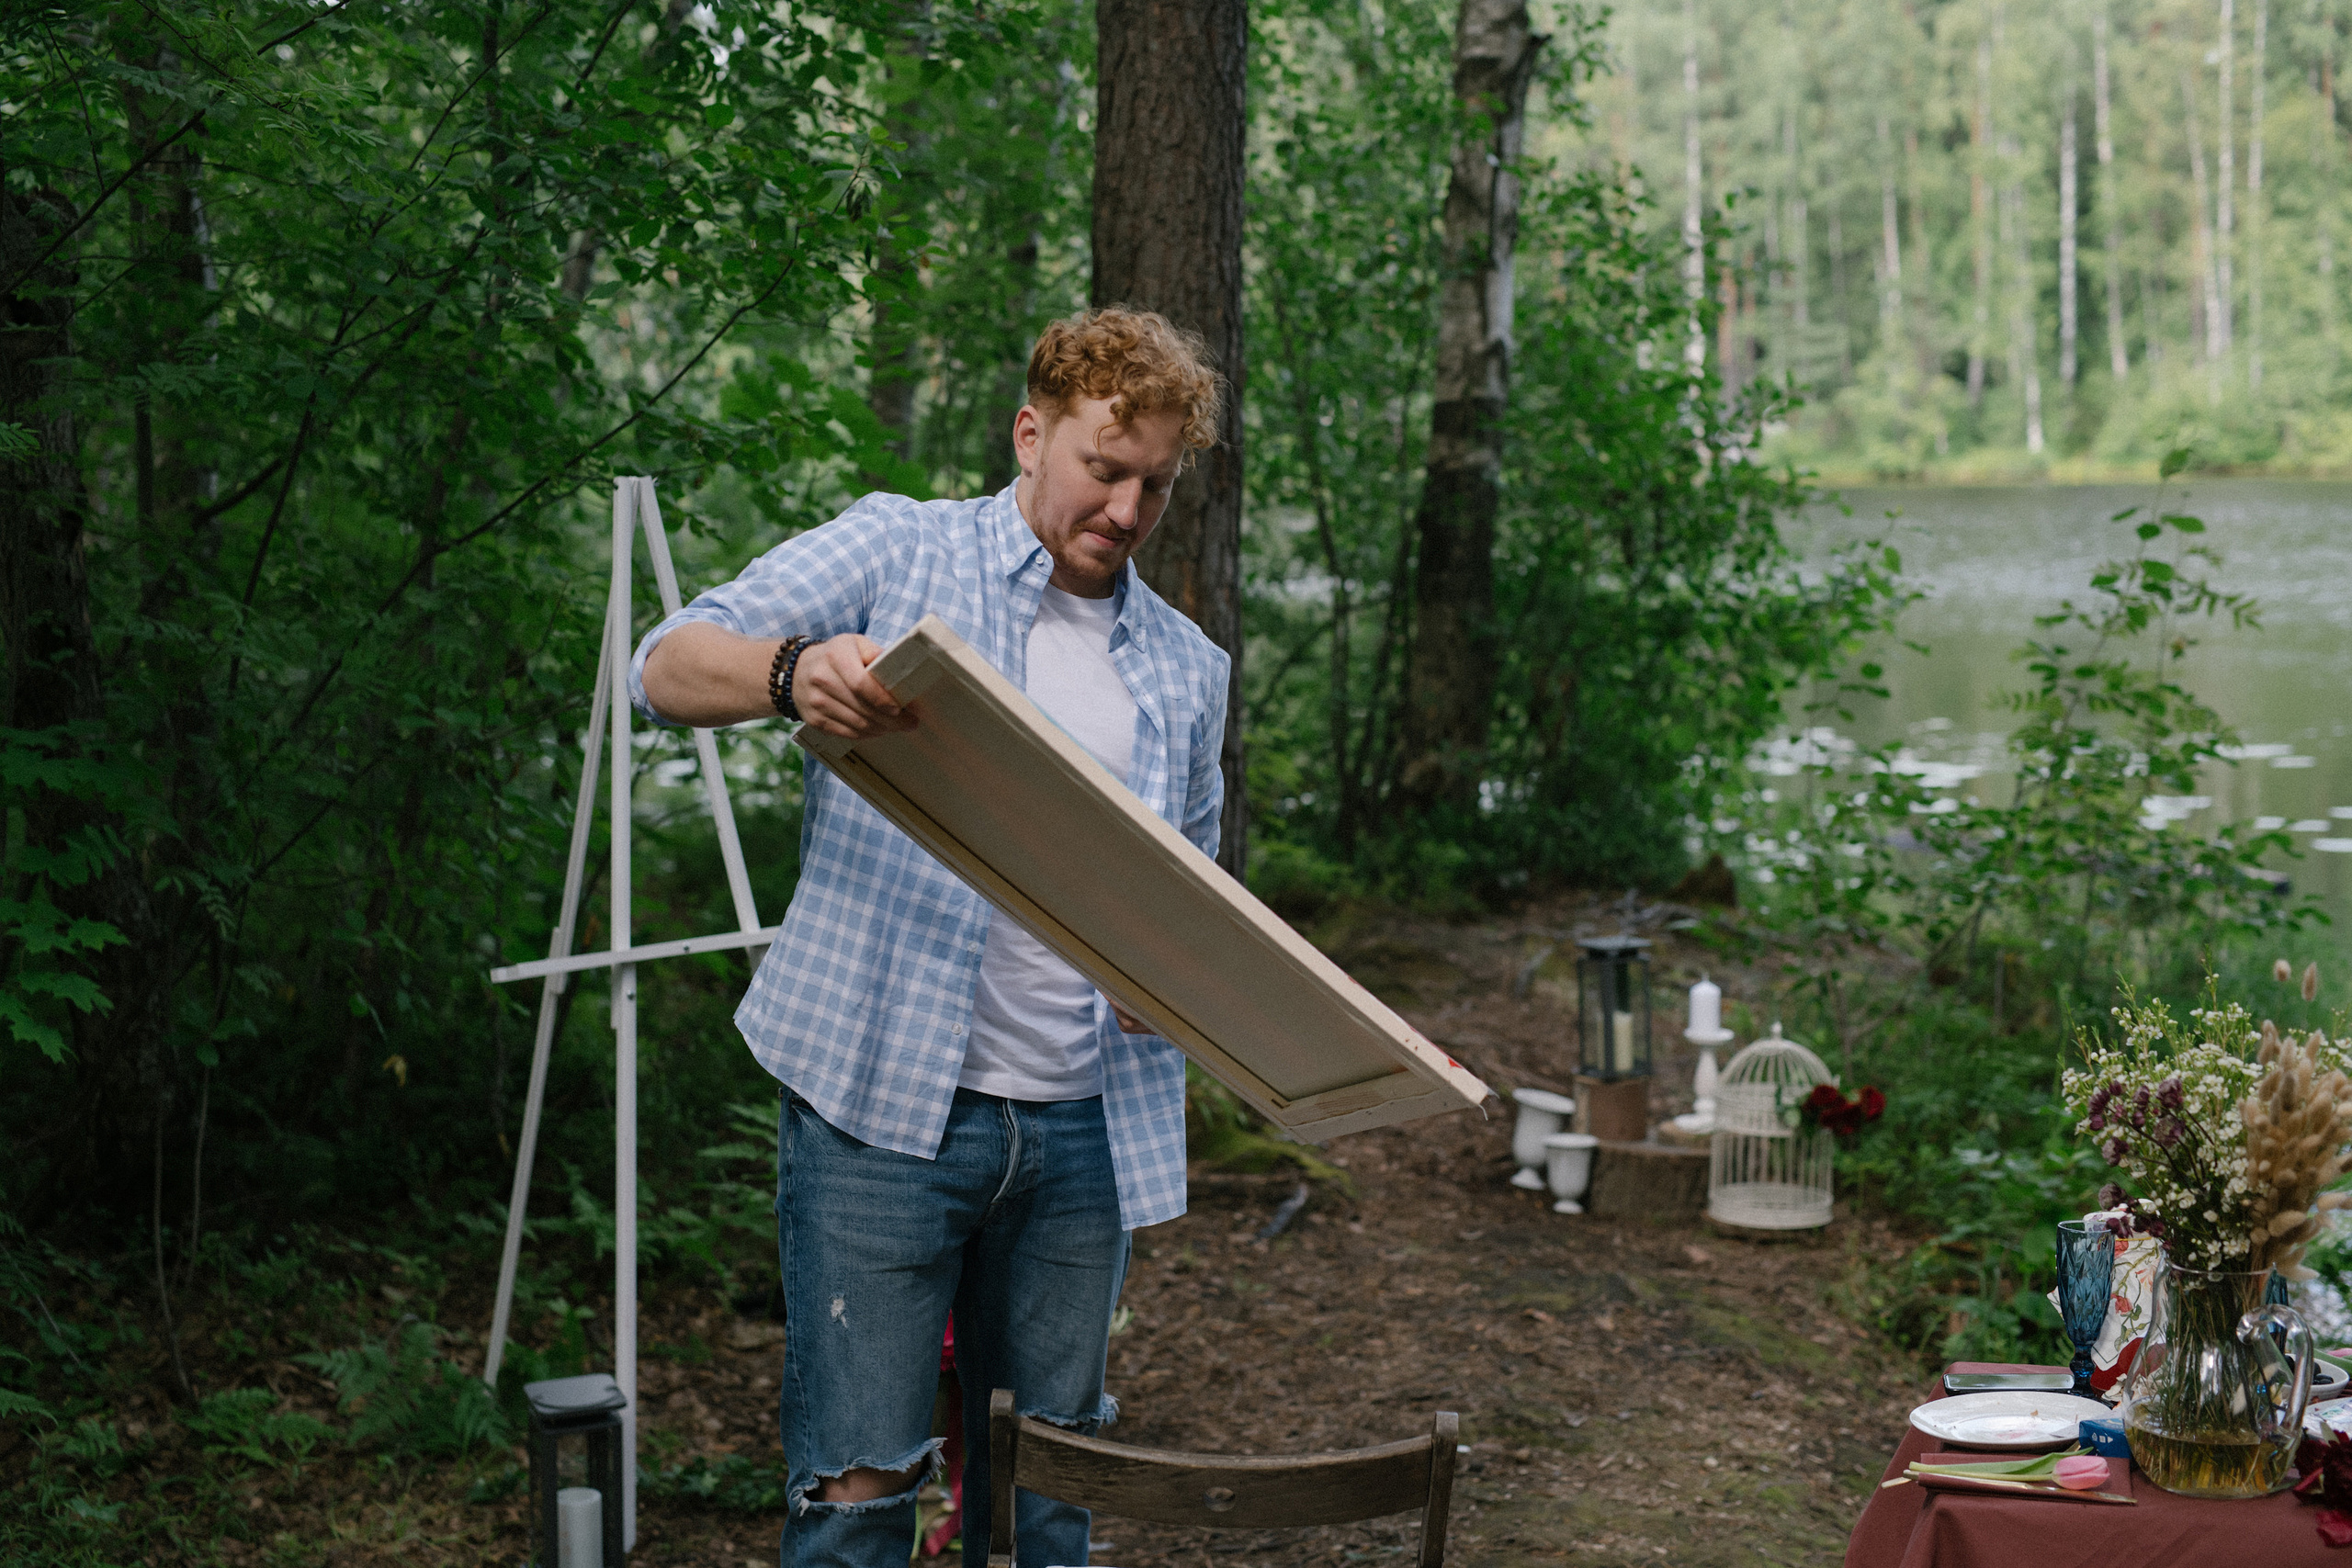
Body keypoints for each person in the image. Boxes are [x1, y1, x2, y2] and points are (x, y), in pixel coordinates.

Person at [630, 307, 1228, 1567]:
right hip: (882, 1118)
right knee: (857, 1504)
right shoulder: (900, 551)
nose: (1124, 510)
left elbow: (1190, 894)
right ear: (1031, 433)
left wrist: (1163, 983)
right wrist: (792, 672)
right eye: (1102, 470)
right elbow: (665, 664)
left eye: (1154, 487)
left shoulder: (1185, 667)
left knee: (1042, 1509)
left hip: (1082, 1139)